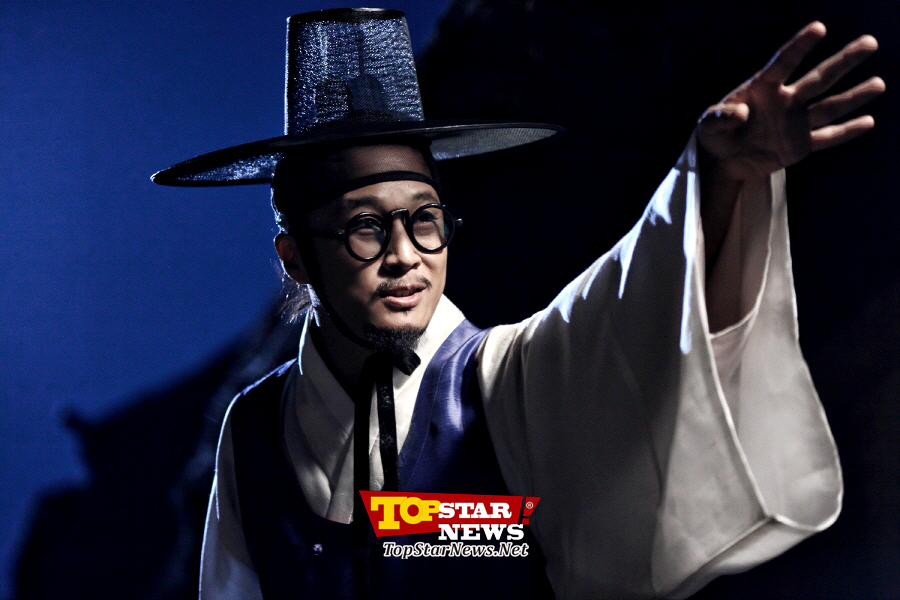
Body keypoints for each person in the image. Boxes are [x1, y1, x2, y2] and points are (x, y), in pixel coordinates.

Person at [152, 8, 884, 599]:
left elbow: (644, 310)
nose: (406, 255)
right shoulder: (254, 428)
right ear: (296, 258)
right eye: (365, 228)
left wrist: (719, 179)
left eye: (425, 220)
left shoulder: (501, 380)